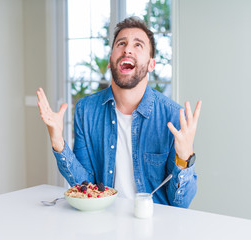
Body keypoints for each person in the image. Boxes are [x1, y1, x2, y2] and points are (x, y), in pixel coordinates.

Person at [37, 16, 202, 208]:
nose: (127, 49)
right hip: (104, 220)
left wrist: (184, 158)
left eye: (138, 45)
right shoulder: (86, 110)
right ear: (110, 61)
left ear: (151, 64)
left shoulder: (173, 117)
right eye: (121, 43)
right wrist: (58, 142)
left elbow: (180, 203)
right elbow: (84, 186)